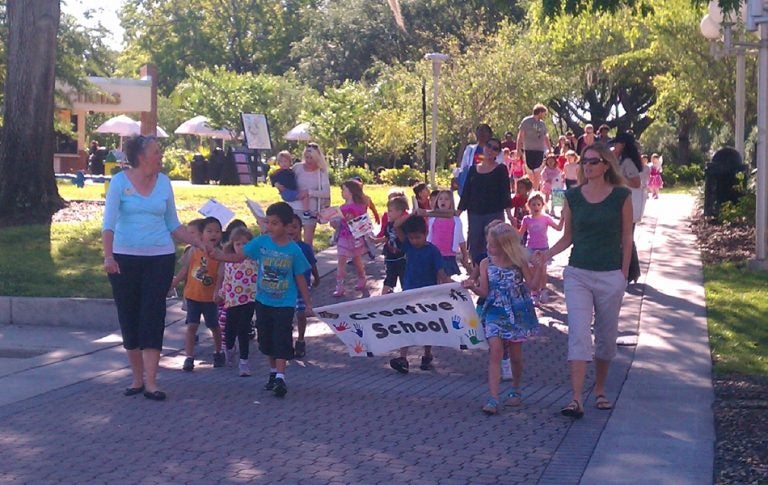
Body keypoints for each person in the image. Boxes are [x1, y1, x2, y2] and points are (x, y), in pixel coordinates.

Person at [102, 134, 204, 401]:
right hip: (124, 259)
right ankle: (136, 379)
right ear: (141, 157)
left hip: (159, 258)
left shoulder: (164, 183)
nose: (160, 156)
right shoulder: (119, 182)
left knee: (152, 316)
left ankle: (152, 382)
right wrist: (108, 257)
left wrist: (198, 241)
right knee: (130, 316)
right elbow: (108, 224)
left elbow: (173, 224)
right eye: (156, 152)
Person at [537, 142, 632, 419]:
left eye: (593, 161)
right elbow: (567, 237)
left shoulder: (621, 196)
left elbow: (627, 237)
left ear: (606, 164)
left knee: (606, 337)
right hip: (578, 273)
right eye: (584, 162)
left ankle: (599, 390)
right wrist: (546, 254)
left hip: (610, 274)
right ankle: (576, 398)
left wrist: (623, 274)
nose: (588, 166)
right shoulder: (572, 196)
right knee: (579, 334)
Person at [210, 202, 314, 398]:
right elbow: (239, 257)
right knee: (266, 339)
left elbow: (300, 276)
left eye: (274, 223)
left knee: (282, 338)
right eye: (268, 222)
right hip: (263, 301)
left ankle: (281, 378)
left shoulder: (294, 250)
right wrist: (218, 256)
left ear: (285, 225)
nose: (269, 227)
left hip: (285, 303)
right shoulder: (261, 243)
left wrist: (308, 303)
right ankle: (273, 372)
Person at [462, 223, 539, 415]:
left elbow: (533, 286)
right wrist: (472, 287)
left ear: (506, 246)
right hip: (494, 310)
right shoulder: (486, 264)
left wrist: (539, 267)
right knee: (495, 350)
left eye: (493, 245)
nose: (488, 248)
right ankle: (493, 397)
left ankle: (515, 388)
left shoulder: (519, 262)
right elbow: (485, 291)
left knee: (516, 355)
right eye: (488, 243)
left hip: (517, 311)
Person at [389, 215, 451, 373]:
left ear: (426, 233)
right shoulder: (408, 246)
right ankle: (403, 357)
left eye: (418, 237)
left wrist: (452, 286)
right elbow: (396, 226)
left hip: (428, 295)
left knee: (427, 326)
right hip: (409, 293)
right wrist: (412, 214)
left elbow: (441, 273)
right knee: (406, 324)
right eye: (411, 237)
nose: (414, 241)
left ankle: (427, 355)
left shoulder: (432, 251)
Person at [177, 216, 225, 372]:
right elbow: (184, 271)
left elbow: (220, 275)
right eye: (209, 231)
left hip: (210, 298)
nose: (213, 234)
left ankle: (218, 352)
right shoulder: (193, 251)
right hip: (192, 295)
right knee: (192, 325)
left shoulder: (220, 254)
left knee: (214, 325)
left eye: (217, 231)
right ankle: (189, 356)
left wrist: (218, 291)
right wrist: (174, 282)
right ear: (201, 234)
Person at [457, 137, 513, 265]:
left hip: (494, 213)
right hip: (475, 213)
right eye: (489, 146)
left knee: (495, 244)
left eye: (495, 148)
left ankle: (495, 272)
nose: (490, 150)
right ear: (484, 146)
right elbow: (466, 193)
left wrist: (509, 214)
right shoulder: (473, 169)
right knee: (475, 244)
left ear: (498, 153)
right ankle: (478, 275)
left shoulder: (501, 169)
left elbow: (505, 193)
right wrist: (457, 213)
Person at [216, 227, 258, 377]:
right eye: (238, 244)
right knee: (229, 329)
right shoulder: (229, 261)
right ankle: (229, 348)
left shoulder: (254, 259)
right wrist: (220, 293)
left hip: (249, 298)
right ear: (232, 244)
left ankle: (244, 362)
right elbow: (226, 280)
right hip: (232, 300)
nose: (241, 247)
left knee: (243, 329)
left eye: (245, 243)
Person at [518, 192, 563, 304]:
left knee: (543, 271)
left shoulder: (546, 218)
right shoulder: (526, 219)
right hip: (531, 249)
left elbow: (558, 228)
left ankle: (543, 290)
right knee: (533, 272)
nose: (536, 207)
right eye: (533, 205)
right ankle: (534, 293)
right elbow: (520, 234)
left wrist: (563, 217)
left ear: (543, 205)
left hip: (543, 248)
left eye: (538, 204)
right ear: (529, 206)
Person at [610, 132, 643, 284]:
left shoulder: (628, 162)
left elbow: (636, 182)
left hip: (629, 204)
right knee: (626, 236)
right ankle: (633, 271)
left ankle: (631, 271)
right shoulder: (620, 160)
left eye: (616, 143)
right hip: (621, 203)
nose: (614, 146)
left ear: (622, 145)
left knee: (626, 237)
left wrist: (619, 178)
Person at [288, 214, 319, 358]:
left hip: (302, 288)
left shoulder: (305, 247)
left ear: (300, 229)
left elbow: (312, 263)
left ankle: (300, 340)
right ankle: (287, 341)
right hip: (286, 289)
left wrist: (316, 277)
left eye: (294, 227)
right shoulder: (282, 247)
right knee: (286, 317)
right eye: (288, 227)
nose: (291, 230)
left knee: (301, 315)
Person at [331, 179, 370, 297]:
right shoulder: (342, 207)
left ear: (351, 191)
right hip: (343, 237)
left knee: (356, 259)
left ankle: (362, 277)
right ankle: (340, 285)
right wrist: (334, 222)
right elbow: (338, 224)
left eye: (343, 190)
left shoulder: (359, 207)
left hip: (355, 238)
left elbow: (362, 221)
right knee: (341, 261)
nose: (341, 192)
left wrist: (351, 218)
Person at [289, 143, 331, 249]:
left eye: (311, 158)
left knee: (308, 242)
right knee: (293, 240)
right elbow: (288, 183)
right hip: (295, 207)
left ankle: (309, 262)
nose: (308, 160)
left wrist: (309, 192)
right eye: (306, 157)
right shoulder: (297, 168)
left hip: (311, 210)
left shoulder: (321, 172)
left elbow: (326, 193)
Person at [426, 190, 471, 277]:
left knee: (447, 278)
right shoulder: (432, 219)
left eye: (446, 199)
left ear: (451, 202)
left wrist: (465, 254)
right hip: (434, 254)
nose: (443, 201)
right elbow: (429, 237)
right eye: (440, 199)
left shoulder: (456, 221)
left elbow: (461, 239)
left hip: (449, 254)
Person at [374, 196, 409, 294]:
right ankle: (385, 301)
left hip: (402, 258)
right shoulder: (388, 225)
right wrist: (375, 240)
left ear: (399, 212)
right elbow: (387, 237)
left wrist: (397, 227)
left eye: (390, 211)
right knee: (389, 281)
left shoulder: (405, 224)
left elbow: (404, 240)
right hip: (390, 258)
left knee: (405, 282)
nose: (388, 213)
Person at [516, 104, 553, 190]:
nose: (544, 115)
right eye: (544, 113)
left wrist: (550, 150)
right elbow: (520, 136)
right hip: (528, 149)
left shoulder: (542, 124)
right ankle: (533, 186)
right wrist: (518, 149)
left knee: (537, 171)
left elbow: (545, 137)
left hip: (539, 150)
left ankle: (536, 191)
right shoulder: (526, 121)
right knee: (530, 172)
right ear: (540, 112)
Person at [457, 124, 495, 195]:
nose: (482, 134)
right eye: (480, 131)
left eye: (484, 131)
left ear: (490, 135)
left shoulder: (495, 150)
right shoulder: (470, 149)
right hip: (472, 185)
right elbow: (464, 167)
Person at [271, 151, 311, 218]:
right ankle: (306, 211)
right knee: (305, 195)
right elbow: (272, 177)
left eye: (286, 161)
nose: (284, 164)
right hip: (287, 192)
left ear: (290, 162)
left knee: (304, 193)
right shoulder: (278, 172)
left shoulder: (291, 171)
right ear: (279, 163)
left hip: (292, 191)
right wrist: (276, 184)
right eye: (282, 162)